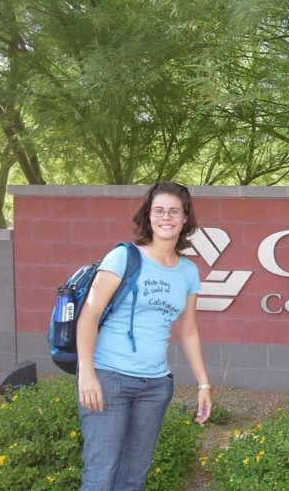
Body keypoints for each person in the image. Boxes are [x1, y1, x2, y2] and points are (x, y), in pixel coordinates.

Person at [75, 181, 212, 490]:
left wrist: (203, 383)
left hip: (155, 386)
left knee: (132, 479)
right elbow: (89, 315)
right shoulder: (123, 257)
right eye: (159, 210)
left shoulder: (188, 271)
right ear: (148, 216)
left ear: (185, 218)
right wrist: (87, 373)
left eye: (174, 211)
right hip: (109, 379)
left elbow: (188, 329)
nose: (166, 217)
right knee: (100, 479)